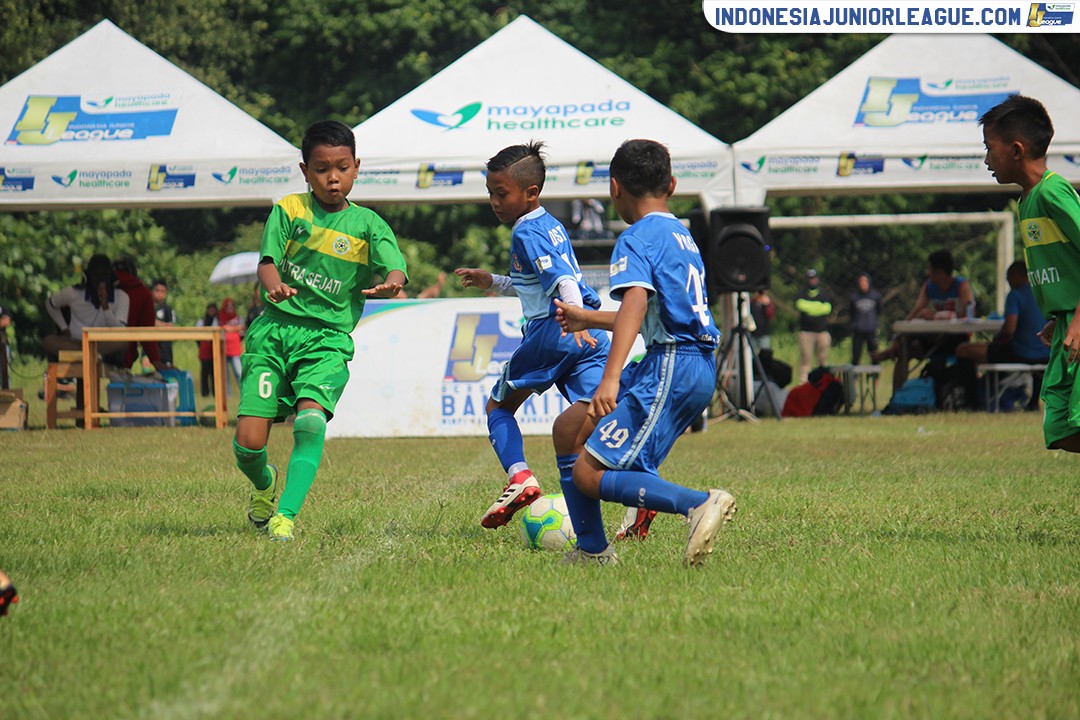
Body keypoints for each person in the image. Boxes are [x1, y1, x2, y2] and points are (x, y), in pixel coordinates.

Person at [553, 138, 736, 566]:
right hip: (683, 361)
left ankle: (697, 503)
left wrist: (610, 376)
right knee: (569, 429)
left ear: (614, 187)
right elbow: (652, 311)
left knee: (588, 473)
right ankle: (592, 549)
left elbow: (635, 302)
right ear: (671, 185)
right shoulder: (681, 235)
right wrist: (587, 318)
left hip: (672, 363)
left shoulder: (635, 237)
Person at [233, 120, 407, 541]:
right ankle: (264, 483)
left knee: (310, 422)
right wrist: (273, 285)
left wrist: (393, 281)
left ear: (356, 167)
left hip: (326, 341)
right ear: (305, 171)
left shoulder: (368, 224)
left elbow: (395, 265)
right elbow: (267, 262)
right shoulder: (289, 210)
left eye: (342, 168)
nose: (333, 178)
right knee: (248, 445)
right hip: (274, 333)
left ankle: (285, 517)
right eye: (322, 169)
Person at [454, 141, 612, 532]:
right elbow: (536, 285)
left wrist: (573, 319)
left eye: (501, 193)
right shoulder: (550, 224)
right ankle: (635, 487)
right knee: (595, 418)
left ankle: (520, 477)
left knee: (498, 408)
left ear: (531, 192)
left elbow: (562, 282)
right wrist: (492, 281)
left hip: (556, 329)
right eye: (490, 193)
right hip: (589, 332)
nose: (494, 202)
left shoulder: (526, 232)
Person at [981, 94, 1080, 451]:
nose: (986, 160)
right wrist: (1060, 315)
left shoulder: (1053, 192)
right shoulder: (1028, 200)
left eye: (989, 148)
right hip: (1066, 323)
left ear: (1016, 150)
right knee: (1060, 428)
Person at [872, 249, 976, 388]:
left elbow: (968, 315)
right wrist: (902, 331)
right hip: (935, 338)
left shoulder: (961, 286)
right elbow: (917, 310)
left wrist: (936, 317)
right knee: (905, 350)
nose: (927, 273)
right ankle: (898, 394)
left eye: (929, 269)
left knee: (924, 317)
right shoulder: (929, 286)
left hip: (955, 339)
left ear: (939, 272)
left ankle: (890, 352)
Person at [955, 260, 1049, 407]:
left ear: (1018, 275)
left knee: (963, 350)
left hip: (1020, 353)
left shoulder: (1015, 295)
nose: (1008, 281)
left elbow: (1009, 329)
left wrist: (998, 338)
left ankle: (972, 401)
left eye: (1009, 277)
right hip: (1046, 354)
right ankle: (1033, 402)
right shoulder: (1044, 293)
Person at [44, 253, 130, 363]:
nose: (101, 282)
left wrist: (105, 308)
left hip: (102, 344)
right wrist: (64, 327)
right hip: (75, 342)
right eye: (97, 276)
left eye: (105, 276)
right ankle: (89, 355)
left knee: (124, 343)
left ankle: (86, 354)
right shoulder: (73, 293)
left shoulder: (121, 296)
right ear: (88, 276)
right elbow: (50, 303)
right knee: (49, 341)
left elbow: (120, 331)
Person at [113, 257, 164, 371]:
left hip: (93, 350)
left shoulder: (99, 289)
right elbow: (147, 330)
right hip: (125, 353)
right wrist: (156, 362)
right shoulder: (142, 292)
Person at [796, 269, 832, 383]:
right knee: (805, 360)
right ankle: (804, 383)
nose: (812, 281)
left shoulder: (823, 294)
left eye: (814, 278)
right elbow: (801, 305)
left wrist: (810, 308)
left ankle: (823, 382)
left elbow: (827, 308)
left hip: (822, 332)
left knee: (822, 360)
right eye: (810, 279)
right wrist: (818, 307)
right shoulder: (801, 293)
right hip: (806, 332)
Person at [850, 272, 882, 365]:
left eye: (865, 282)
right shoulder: (854, 297)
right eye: (861, 282)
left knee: (874, 355)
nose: (863, 284)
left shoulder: (875, 296)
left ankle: (875, 374)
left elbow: (879, 311)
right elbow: (851, 312)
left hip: (871, 330)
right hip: (858, 330)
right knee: (856, 355)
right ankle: (855, 373)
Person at [218, 297, 244, 395]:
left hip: (235, 350)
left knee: (239, 372)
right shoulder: (219, 317)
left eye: (231, 306)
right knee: (225, 375)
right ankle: (226, 395)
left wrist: (229, 329)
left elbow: (242, 327)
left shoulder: (237, 317)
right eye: (227, 306)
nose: (230, 308)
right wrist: (233, 329)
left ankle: (244, 392)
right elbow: (219, 328)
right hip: (223, 349)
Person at [151, 279, 178, 367]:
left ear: (166, 293)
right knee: (147, 365)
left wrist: (157, 324)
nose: (159, 293)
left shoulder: (167, 309)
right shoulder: (148, 307)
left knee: (166, 367)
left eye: (162, 291)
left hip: (164, 346)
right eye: (157, 290)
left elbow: (171, 325)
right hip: (150, 343)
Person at [195, 302, 218, 397]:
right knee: (204, 373)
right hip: (205, 350)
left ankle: (215, 392)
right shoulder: (201, 321)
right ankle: (205, 392)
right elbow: (197, 337)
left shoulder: (217, 321)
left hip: (215, 350)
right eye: (210, 309)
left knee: (214, 373)